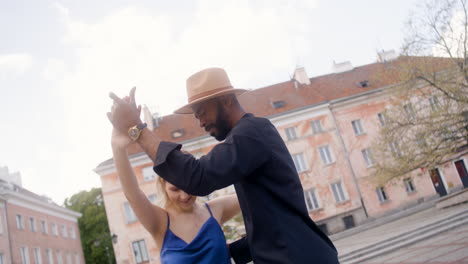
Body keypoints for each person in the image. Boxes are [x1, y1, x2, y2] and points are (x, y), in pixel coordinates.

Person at [107, 68, 339, 263]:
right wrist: (226, 252)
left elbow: (198, 177)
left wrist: (136, 128)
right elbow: (273, 221)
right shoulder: (247, 142)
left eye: (202, 112)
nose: (200, 122)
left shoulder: (250, 133)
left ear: (226, 100)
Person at [110, 119, 241, 263]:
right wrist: (118, 148)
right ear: (163, 187)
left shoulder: (216, 209)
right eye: (175, 189)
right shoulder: (159, 221)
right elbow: (132, 194)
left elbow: (256, 193)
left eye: (188, 186)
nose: (184, 196)